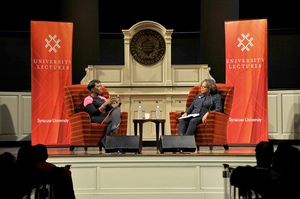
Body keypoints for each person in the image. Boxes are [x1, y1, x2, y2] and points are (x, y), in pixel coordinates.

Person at [84, 79, 122, 147]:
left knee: (117, 109)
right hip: (95, 118)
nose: (101, 88)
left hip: (105, 117)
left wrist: (119, 104)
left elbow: (112, 110)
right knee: (113, 119)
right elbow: (94, 112)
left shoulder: (103, 98)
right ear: (92, 89)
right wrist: (104, 104)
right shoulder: (88, 99)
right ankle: (114, 127)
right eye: (98, 86)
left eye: (101, 86)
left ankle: (104, 140)